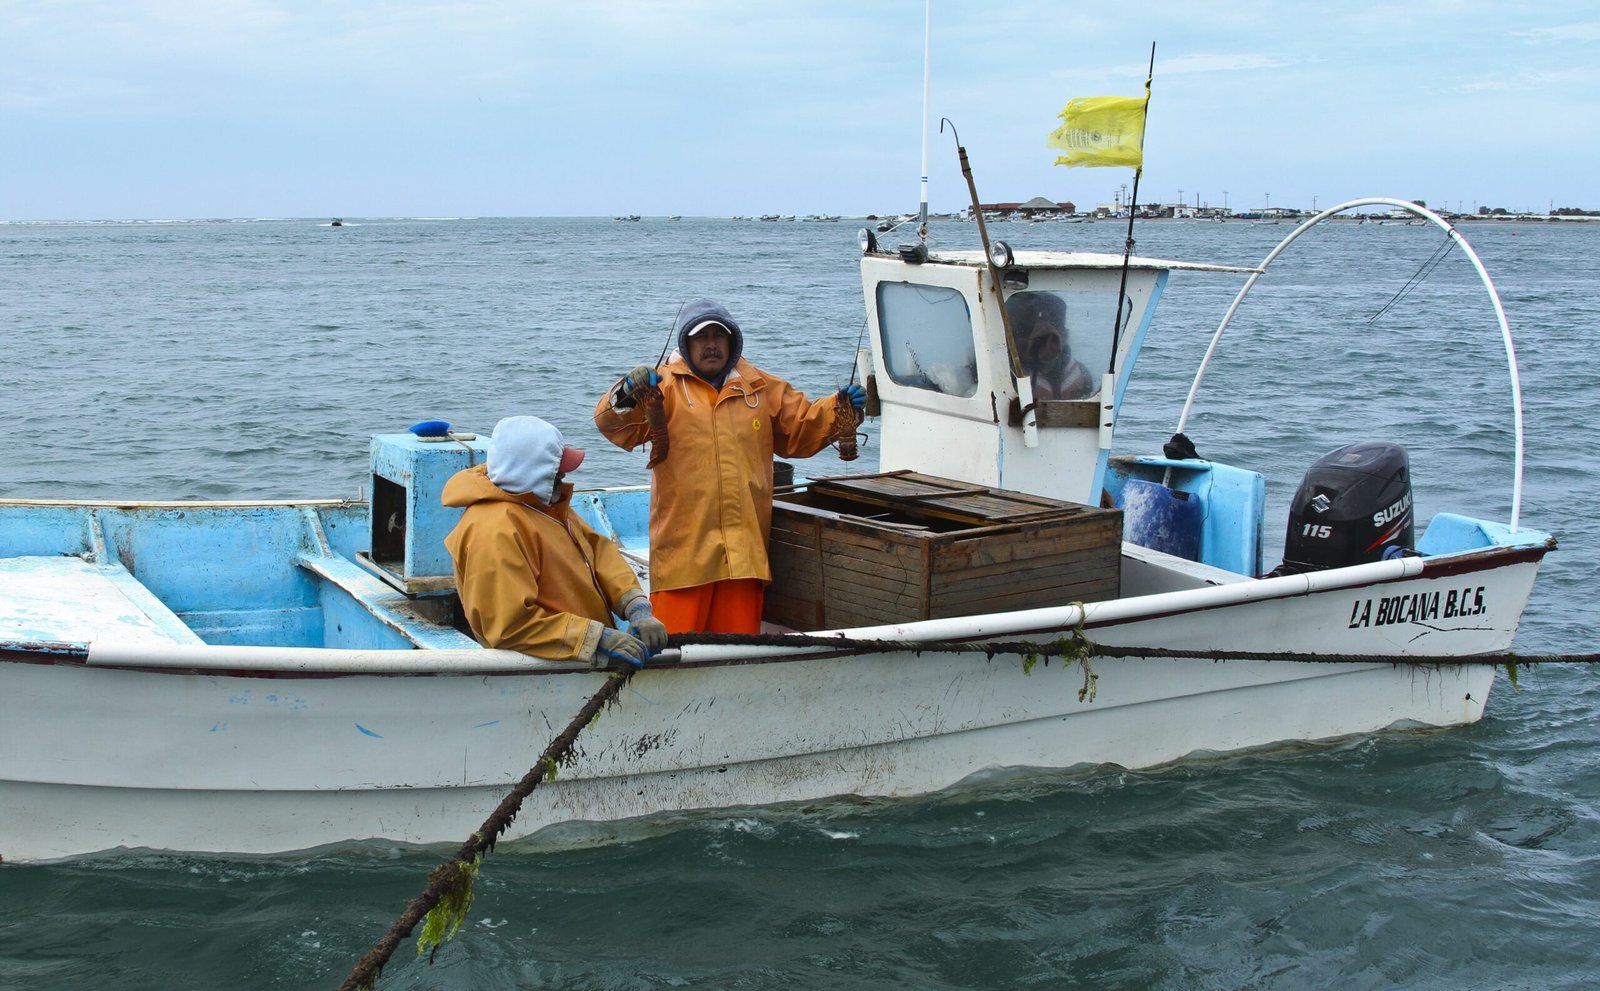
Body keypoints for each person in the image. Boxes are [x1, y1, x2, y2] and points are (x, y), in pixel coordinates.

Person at [593, 297, 866, 635]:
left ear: (732, 341)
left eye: (718, 337)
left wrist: (839, 408)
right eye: (701, 338)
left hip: (744, 557)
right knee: (672, 655)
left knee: (737, 655)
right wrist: (626, 390)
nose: (711, 345)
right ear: (686, 344)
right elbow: (611, 425)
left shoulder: (760, 387)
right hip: (683, 558)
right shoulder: (661, 387)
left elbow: (802, 430)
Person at [441, 415, 669, 669]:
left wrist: (636, 606)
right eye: (556, 468)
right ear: (531, 470)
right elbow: (508, 626)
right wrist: (596, 638)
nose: (563, 473)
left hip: (575, 655)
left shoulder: (544, 504)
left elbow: (597, 550)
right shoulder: (493, 530)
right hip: (539, 670)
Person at [1007, 291, 1096, 400]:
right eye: (1040, 338)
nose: (1046, 345)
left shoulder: (1082, 375)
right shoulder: (1000, 372)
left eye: (1051, 338)